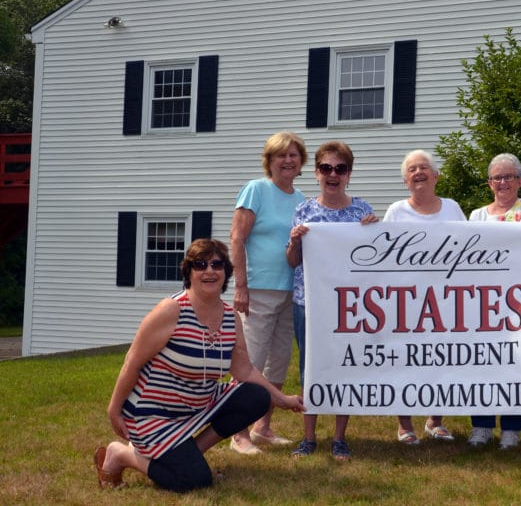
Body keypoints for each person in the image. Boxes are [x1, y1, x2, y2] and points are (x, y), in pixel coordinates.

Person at [94, 239, 305, 492]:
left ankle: (190, 452)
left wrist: (280, 398)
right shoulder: (171, 310)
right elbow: (132, 361)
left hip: (199, 403)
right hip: (153, 413)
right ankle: (121, 454)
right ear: (189, 272)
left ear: (226, 272)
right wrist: (114, 410)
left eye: (217, 264)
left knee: (257, 397)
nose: (209, 271)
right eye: (200, 265)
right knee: (195, 480)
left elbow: (244, 370)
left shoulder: (230, 317)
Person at [286, 141, 378, 461]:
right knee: (310, 368)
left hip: (348, 305)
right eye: (326, 168)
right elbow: (292, 261)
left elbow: (376, 258)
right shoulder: (304, 211)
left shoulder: (363, 212)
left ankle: (339, 438)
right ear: (316, 173)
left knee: (344, 367)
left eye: (340, 169)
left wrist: (374, 231)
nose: (333, 174)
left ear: (349, 174)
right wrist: (295, 241)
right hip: (308, 302)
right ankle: (308, 437)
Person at [229, 132, 307, 454]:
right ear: (269, 160)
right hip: (258, 290)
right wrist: (241, 286)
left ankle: (263, 426)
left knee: (278, 363)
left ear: (301, 162)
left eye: (293, 155)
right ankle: (239, 433)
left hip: (291, 290)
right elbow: (236, 237)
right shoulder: (256, 190)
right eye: (280, 155)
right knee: (252, 363)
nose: (287, 160)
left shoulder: (302, 198)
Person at [383, 149, 465, 445]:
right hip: (407, 300)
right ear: (406, 180)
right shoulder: (395, 211)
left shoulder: (453, 208)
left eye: (424, 168)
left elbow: (470, 248)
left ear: (435, 176)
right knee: (404, 359)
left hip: (445, 299)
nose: (418, 173)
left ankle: (435, 420)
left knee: (440, 358)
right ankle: (405, 426)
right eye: (412, 170)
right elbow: (383, 251)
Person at [467, 153, 521, 449]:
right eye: (497, 177)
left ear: (520, 181)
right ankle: (481, 426)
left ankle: (511, 428)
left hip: (517, 299)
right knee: (481, 362)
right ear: (489, 183)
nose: (503, 182)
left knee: (514, 361)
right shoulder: (476, 215)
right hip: (482, 301)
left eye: (509, 176)